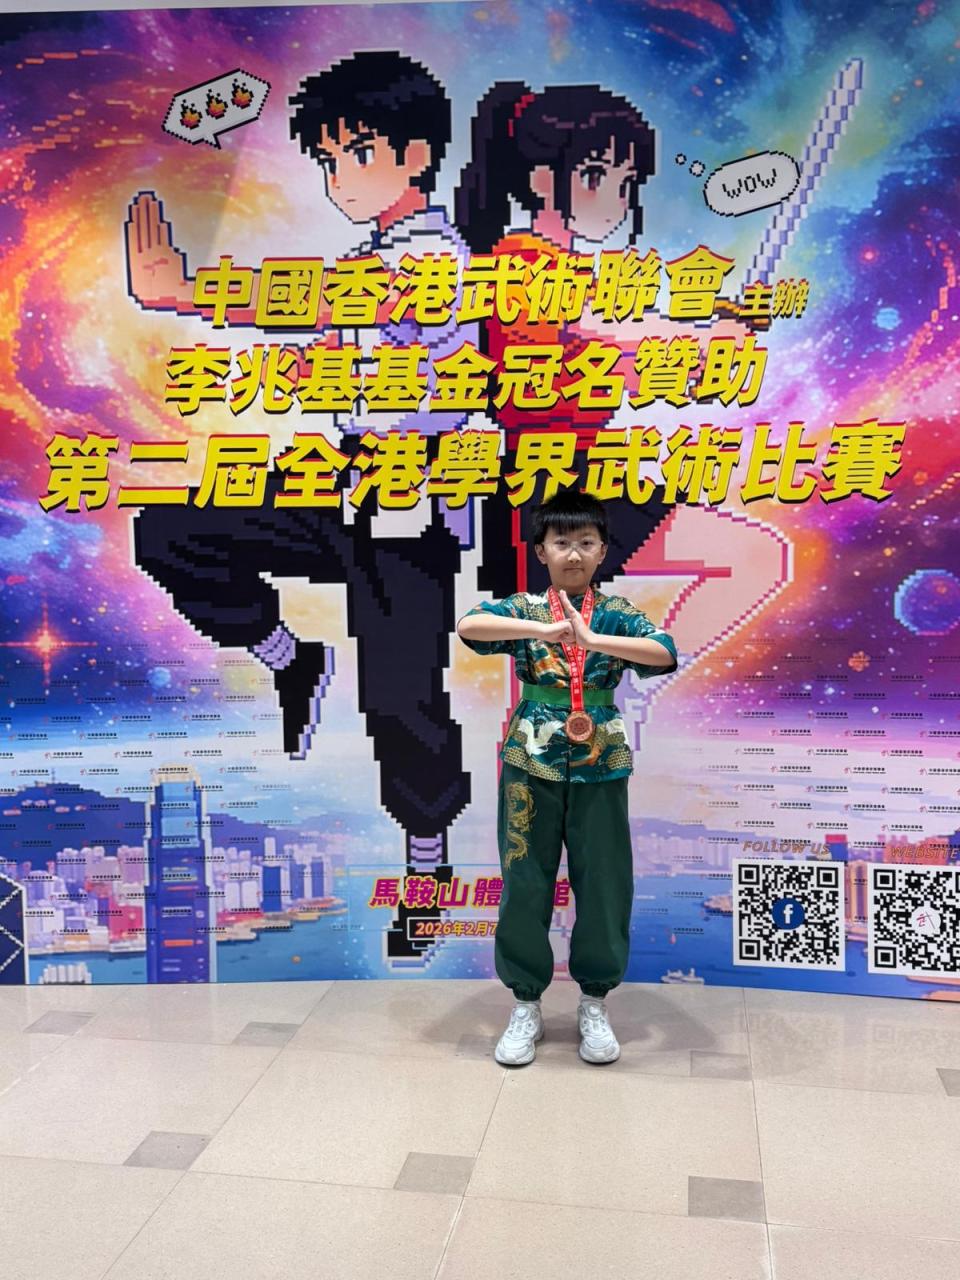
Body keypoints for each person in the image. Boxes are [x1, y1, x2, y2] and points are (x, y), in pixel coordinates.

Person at [124, 51, 479, 964]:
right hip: (341, 478)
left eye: (357, 154)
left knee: (400, 702)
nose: (338, 178)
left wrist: (192, 294)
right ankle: (291, 657)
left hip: (413, 498)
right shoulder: (368, 258)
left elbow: (337, 304)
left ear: (414, 156)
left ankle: (428, 872)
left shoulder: (438, 255)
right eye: (328, 160)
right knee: (173, 530)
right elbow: (331, 328)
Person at [454, 81, 789, 715]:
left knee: (752, 555)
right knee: (546, 688)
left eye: (626, 180)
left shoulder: (577, 270)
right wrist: (704, 337)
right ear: (542, 179)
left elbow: (634, 341)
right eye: (596, 174)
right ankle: (607, 699)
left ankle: (628, 685)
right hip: (543, 487)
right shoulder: (519, 260)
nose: (614, 195)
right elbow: (608, 346)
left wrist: (717, 332)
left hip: (594, 479)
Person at [456, 487, 678, 1066]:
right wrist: (542, 633)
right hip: (529, 760)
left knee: (603, 882)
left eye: (585, 542)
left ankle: (595, 1002)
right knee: (525, 878)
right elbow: (468, 626)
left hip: (601, 760)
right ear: (542, 550)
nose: (573, 553)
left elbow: (664, 651)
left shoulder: (617, 613)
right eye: (561, 542)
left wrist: (593, 640)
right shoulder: (526, 608)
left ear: (602, 550)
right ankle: (525, 1002)